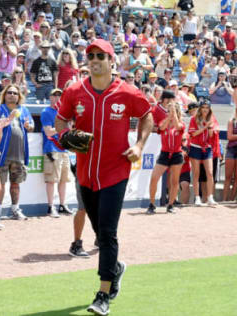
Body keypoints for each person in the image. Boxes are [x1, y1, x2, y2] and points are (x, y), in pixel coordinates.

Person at [55, 39, 154, 315]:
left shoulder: (127, 92)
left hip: (116, 172)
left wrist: (139, 145)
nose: (95, 59)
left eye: (101, 55)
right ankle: (116, 268)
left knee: (108, 233)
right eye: (90, 55)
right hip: (85, 173)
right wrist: (64, 135)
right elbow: (60, 119)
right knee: (100, 232)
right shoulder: (75, 90)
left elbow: (147, 116)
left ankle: (102, 294)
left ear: (112, 60)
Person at [0, 84, 34, 220]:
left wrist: (29, 126)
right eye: (9, 92)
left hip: (19, 154)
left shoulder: (23, 110)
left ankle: (15, 209)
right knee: (0, 184)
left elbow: (31, 126)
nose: (12, 95)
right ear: (4, 95)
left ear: (19, 97)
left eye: (15, 93)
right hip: (2, 153)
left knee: (15, 183)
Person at [40, 88, 73, 217]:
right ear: (50, 97)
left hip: (64, 149)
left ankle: (62, 205)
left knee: (63, 180)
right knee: (52, 180)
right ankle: (50, 206)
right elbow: (48, 132)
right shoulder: (46, 112)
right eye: (55, 95)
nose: (58, 97)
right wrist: (63, 126)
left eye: (60, 95)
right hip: (52, 149)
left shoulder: (63, 112)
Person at [188, 100, 218, 206]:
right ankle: (197, 197)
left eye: (207, 107)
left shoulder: (212, 119)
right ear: (200, 108)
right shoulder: (194, 119)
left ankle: (210, 197)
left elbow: (211, 136)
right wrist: (205, 127)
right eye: (203, 107)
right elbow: (193, 134)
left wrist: (210, 128)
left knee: (210, 173)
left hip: (207, 148)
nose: (205, 109)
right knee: (196, 173)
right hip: (195, 147)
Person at [223, 109, 237, 201]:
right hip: (232, 149)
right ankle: (224, 199)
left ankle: (231, 199)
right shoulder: (232, 121)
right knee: (228, 176)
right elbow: (229, 137)